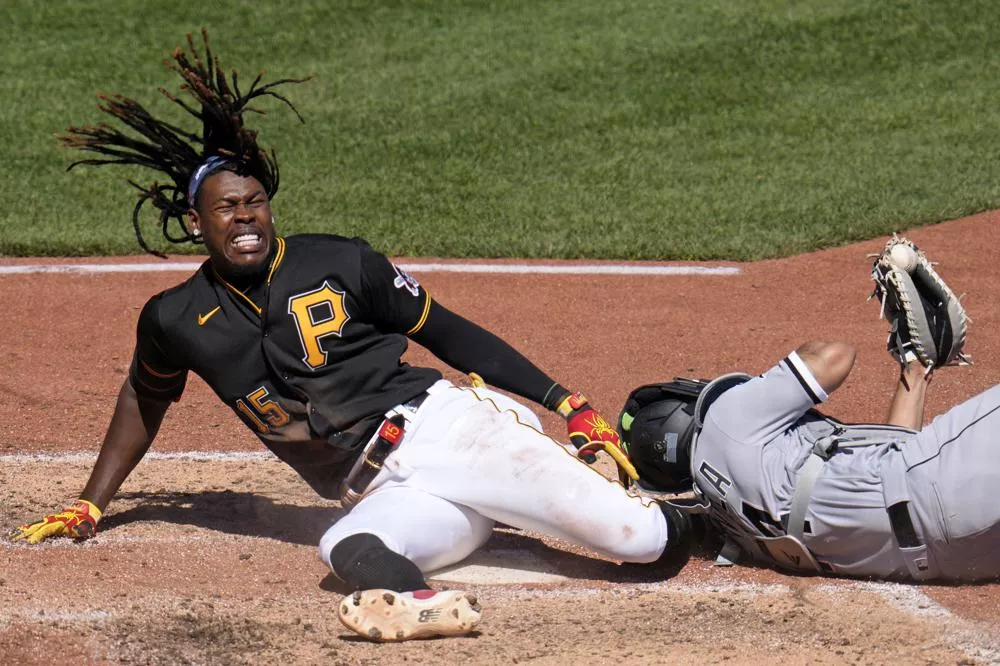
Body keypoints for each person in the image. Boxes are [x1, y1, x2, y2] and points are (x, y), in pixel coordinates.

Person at [9, 31, 690, 642]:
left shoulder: (338, 261)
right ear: (196, 222)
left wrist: (565, 402)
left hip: (444, 431)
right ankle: (420, 604)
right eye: (227, 209)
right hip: (389, 489)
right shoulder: (175, 317)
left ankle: (717, 520)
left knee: (638, 540)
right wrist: (90, 504)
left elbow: (446, 331)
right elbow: (143, 398)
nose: (246, 219)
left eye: (256, 204)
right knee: (346, 545)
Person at [617, 337, 1000, 582]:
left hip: (957, 556)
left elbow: (890, 465)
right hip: (939, 483)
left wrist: (914, 372)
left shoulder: (739, 534)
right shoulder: (724, 419)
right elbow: (836, 355)